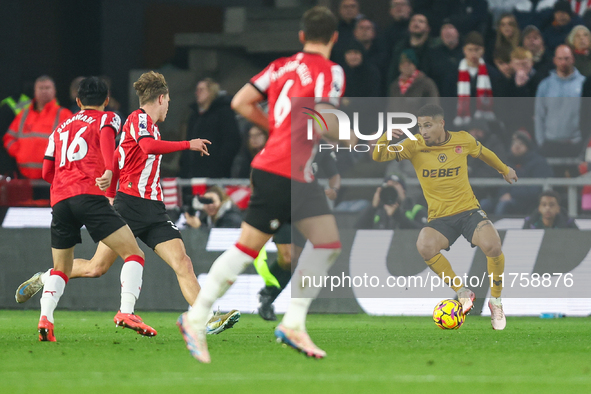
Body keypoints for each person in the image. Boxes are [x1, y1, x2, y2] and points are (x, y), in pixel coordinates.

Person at [177, 6, 346, 363]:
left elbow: (240, 101)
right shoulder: (331, 72)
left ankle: (291, 323)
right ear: (334, 37)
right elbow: (328, 124)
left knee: (326, 242)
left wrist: (274, 127)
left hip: (281, 168)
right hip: (287, 170)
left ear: (301, 36)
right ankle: (196, 319)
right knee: (252, 249)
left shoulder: (281, 66)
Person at [16, 72, 240, 336]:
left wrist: (109, 191)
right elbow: (147, 147)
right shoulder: (137, 119)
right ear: (161, 98)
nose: (168, 107)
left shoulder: (149, 127)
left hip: (154, 209)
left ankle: (207, 318)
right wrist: (187, 144)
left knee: (183, 262)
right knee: (96, 268)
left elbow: (118, 162)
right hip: (131, 204)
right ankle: (46, 277)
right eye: (167, 101)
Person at [373, 104, 518, 330]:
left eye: (428, 125)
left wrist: (504, 169)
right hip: (440, 218)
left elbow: (484, 153)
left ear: (442, 123)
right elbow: (378, 156)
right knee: (424, 244)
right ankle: (462, 291)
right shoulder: (414, 145)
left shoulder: (463, 140)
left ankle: (496, 302)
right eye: (420, 126)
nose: (424, 131)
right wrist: (385, 137)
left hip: (468, 211)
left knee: (493, 245)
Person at [34, 76, 147, 341]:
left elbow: (46, 171)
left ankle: (46, 320)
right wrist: (108, 169)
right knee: (134, 254)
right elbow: (108, 140)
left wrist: (64, 185)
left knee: (61, 269)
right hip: (89, 195)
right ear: (106, 100)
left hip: (60, 200)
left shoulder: (60, 127)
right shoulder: (109, 118)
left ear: (77, 101)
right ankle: (126, 311)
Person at [3, 76, 72, 179]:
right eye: (41, 88)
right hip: (24, 177)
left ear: (54, 91)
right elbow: (9, 138)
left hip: (52, 178)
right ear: (35, 91)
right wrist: (19, 153)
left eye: (47, 88)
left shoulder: (64, 115)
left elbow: (73, 144)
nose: (44, 91)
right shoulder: (24, 114)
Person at [179, 78, 241, 179]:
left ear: (211, 91)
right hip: (192, 172)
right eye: (197, 90)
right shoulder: (194, 116)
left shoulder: (223, 113)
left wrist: (219, 164)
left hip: (215, 173)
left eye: (201, 90)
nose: (197, 93)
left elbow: (232, 140)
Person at [481, 130, 553, 216]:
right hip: (503, 198)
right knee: (484, 204)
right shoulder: (506, 162)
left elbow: (537, 189)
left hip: (526, 202)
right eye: (514, 143)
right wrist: (503, 194)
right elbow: (498, 185)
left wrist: (512, 195)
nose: (517, 146)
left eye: (521, 143)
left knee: (503, 205)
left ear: (528, 146)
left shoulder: (538, 163)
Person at [535, 44, 585, 160]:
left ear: (573, 59)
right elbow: (539, 115)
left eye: (567, 58)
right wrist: (541, 142)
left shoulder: (583, 84)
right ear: (555, 60)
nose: (563, 62)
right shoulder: (545, 85)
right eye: (560, 59)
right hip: (550, 143)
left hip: (576, 143)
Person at [453, 32, 496, 126]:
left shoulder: (492, 73)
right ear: (464, 50)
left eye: (477, 50)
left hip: (485, 125)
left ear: (483, 50)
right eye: (470, 50)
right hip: (460, 124)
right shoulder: (454, 73)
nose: (473, 53)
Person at [356, 174, 427, 230]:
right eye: (387, 185)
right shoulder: (378, 211)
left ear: (403, 190)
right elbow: (356, 231)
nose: (391, 187)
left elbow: (422, 233)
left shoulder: (415, 209)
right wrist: (372, 207)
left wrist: (397, 215)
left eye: (395, 184)